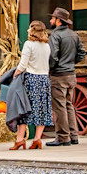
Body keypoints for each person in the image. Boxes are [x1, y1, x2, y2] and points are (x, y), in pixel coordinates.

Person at [10, 20, 53, 150]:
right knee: (41, 110)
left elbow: (23, 64)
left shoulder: (29, 45)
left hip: (31, 79)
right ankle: (37, 140)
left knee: (24, 109)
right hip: (44, 79)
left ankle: (19, 140)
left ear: (32, 30)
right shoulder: (46, 46)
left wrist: (15, 74)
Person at [48, 7, 85, 146]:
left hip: (59, 76)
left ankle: (63, 137)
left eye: (53, 18)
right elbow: (81, 53)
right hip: (71, 75)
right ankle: (73, 136)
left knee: (60, 107)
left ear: (58, 21)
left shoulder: (55, 36)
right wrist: (71, 63)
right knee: (69, 105)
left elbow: (53, 56)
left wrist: (51, 68)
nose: (51, 20)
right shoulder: (74, 35)